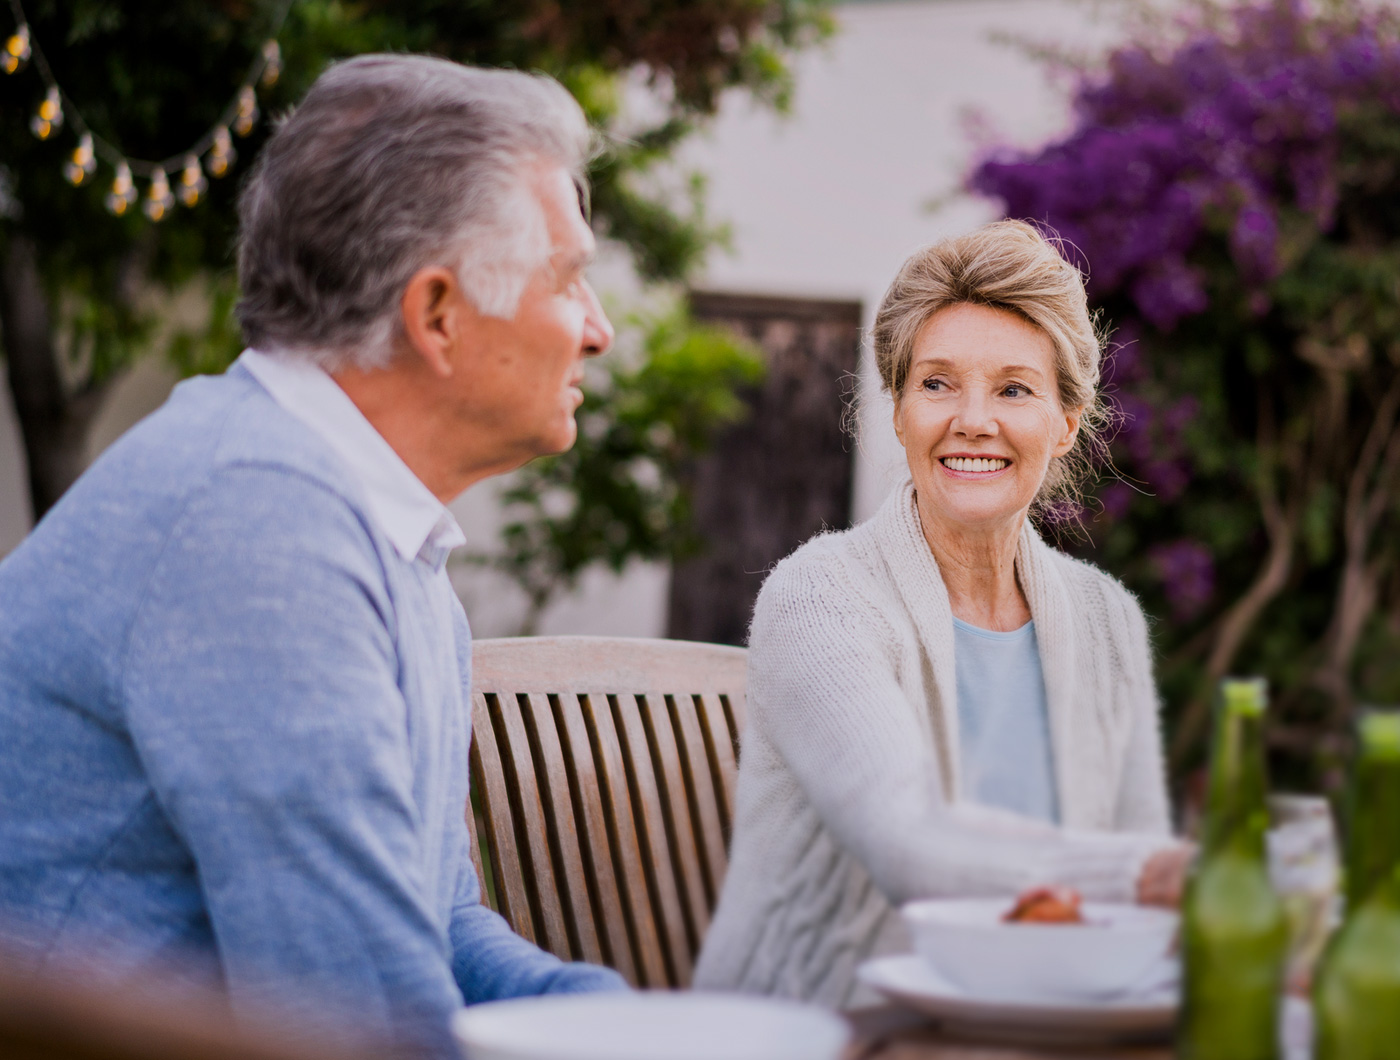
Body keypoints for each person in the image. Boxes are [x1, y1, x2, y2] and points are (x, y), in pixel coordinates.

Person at [0, 55, 626, 1057]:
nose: (597, 330)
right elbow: (358, 1017)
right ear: (437, 316)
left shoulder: (383, 539)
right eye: (568, 278)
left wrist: (591, 1006)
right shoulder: (253, 524)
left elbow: (433, 924)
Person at [693, 220, 1194, 1007]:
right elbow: (912, 846)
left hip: (1042, 1031)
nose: (972, 419)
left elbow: (1145, 916)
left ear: (1065, 424)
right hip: (831, 1033)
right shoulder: (820, 597)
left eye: (1014, 388)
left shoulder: (1107, 621)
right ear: (897, 411)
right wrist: (1156, 873)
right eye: (936, 383)